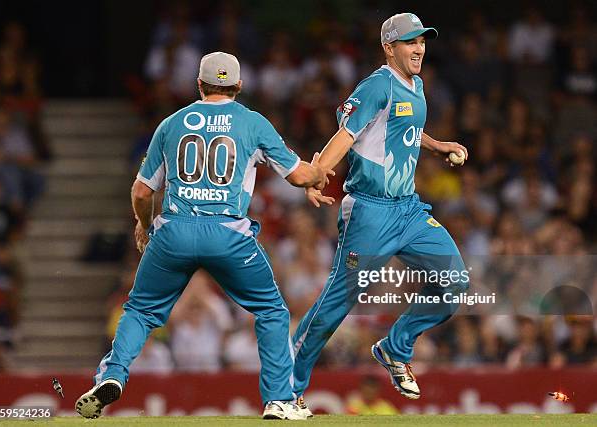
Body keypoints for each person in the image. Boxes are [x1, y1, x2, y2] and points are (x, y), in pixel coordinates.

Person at [76, 51, 331, 421]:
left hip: (174, 231)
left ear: (199, 84)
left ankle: (112, 374)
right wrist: (319, 170)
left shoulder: (171, 123)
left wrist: (144, 226)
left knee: (141, 310)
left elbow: (142, 192)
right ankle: (279, 399)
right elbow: (300, 177)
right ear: (239, 86)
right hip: (229, 233)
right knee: (272, 311)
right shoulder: (253, 123)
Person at [291, 13, 470, 416]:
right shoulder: (375, 85)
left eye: (422, 41)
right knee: (337, 304)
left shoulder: (416, 85)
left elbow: (400, 128)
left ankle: (394, 347)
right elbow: (346, 134)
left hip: (408, 209)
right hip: (370, 211)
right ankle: (288, 387)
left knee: (454, 283)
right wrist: (316, 175)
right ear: (389, 48)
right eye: (410, 42)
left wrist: (437, 145)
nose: (419, 48)